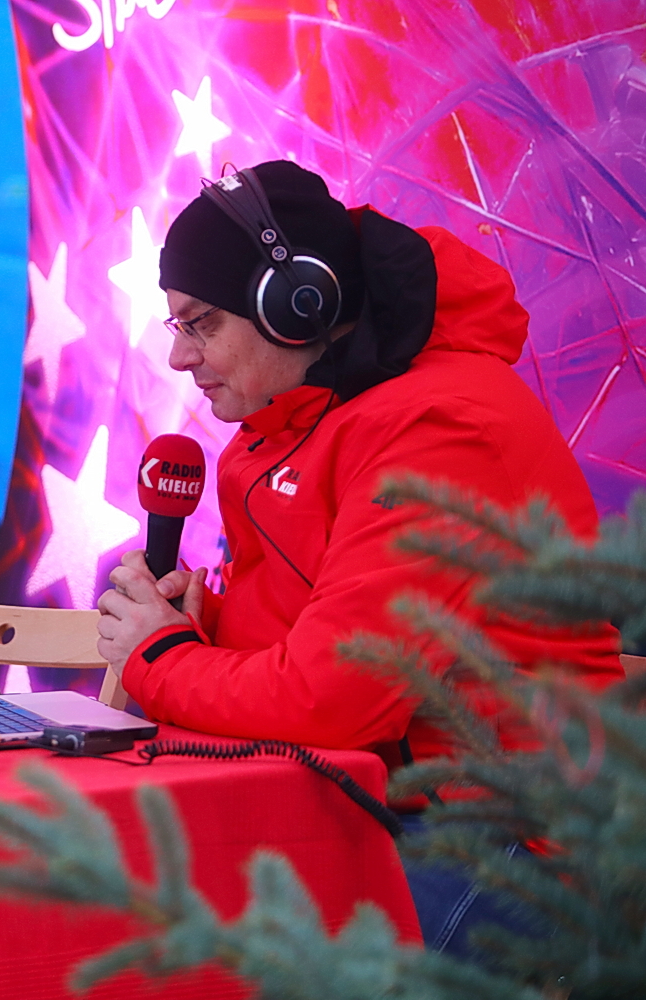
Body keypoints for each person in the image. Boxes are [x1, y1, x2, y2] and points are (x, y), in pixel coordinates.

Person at [96, 160, 622, 763]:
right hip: (374, 787)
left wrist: (163, 658)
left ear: (295, 305)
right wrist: (198, 623)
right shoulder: (295, 420)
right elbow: (312, 634)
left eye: (201, 324)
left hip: (500, 812)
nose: (178, 357)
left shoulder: (438, 429)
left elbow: (332, 701)